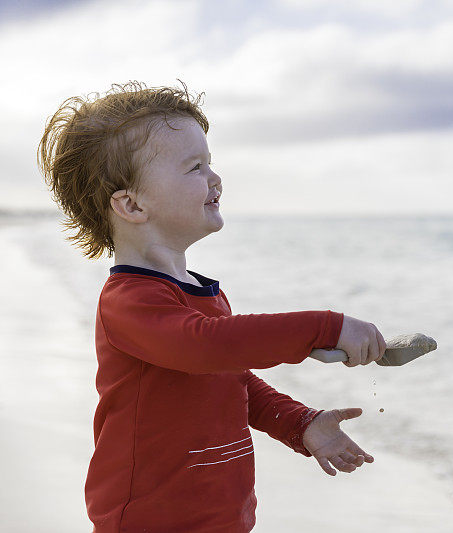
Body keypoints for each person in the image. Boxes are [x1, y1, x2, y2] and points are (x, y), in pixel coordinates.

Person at [38, 80, 386, 532]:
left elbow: (231, 381)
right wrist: (326, 327)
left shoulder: (201, 292)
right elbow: (207, 348)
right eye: (194, 168)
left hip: (223, 516)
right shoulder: (129, 301)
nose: (215, 179)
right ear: (131, 204)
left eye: (210, 163)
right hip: (149, 520)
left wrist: (302, 424)